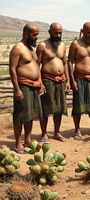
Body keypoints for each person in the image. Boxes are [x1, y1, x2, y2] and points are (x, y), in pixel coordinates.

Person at [9, 23, 44, 153]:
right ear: (26, 34)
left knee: (30, 115)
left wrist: (40, 81)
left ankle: (28, 140)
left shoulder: (31, 48)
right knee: (20, 115)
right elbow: (12, 69)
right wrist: (17, 89)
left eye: (37, 35)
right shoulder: (18, 48)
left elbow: (36, 66)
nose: (36, 37)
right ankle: (18, 142)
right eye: (34, 35)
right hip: (23, 86)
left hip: (34, 86)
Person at [68, 22, 90, 140]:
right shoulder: (75, 44)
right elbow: (70, 62)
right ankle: (77, 129)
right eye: (89, 32)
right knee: (78, 104)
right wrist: (72, 80)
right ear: (82, 31)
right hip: (79, 78)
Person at [36, 22, 70, 142]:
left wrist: (68, 81)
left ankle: (56, 132)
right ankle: (44, 133)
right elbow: (37, 65)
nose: (58, 35)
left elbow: (64, 63)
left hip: (61, 80)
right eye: (55, 32)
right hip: (47, 80)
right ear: (50, 32)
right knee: (46, 108)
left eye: (60, 33)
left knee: (59, 108)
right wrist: (40, 82)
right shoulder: (42, 45)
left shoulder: (63, 46)